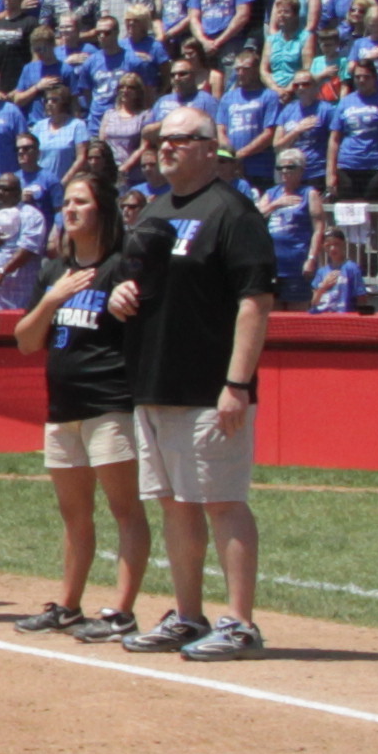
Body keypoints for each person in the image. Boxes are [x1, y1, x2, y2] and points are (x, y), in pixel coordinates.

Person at [126, 109, 280, 660]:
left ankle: (240, 622)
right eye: (161, 141)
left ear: (210, 150)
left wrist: (236, 382)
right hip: (155, 380)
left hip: (209, 384)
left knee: (222, 500)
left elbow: (255, 302)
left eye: (180, 140)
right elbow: (137, 281)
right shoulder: (156, 210)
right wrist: (124, 294)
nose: (165, 149)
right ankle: (187, 615)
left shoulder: (233, 212)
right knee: (173, 502)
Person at [10, 152, 154, 641]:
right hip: (62, 407)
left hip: (109, 402)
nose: (70, 210)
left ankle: (121, 610)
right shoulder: (55, 272)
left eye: (81, 203)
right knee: (74, 514)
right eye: (66, 203)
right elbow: (28, 341)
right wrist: (52, 299)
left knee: (125, 509)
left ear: (102, 211)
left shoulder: (120, 267)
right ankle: (68, 604)